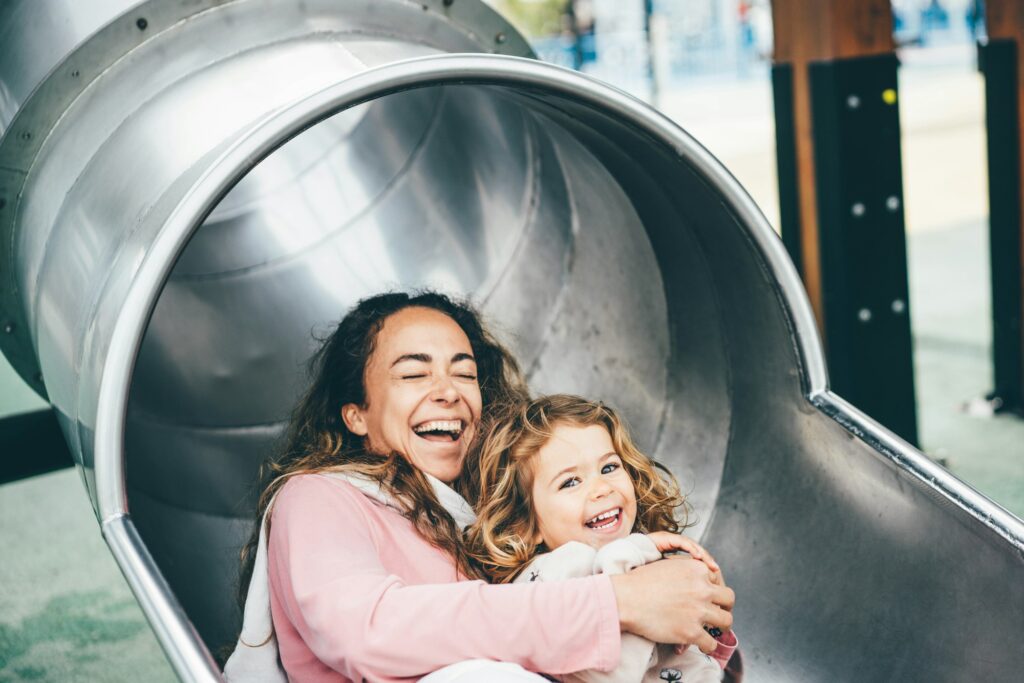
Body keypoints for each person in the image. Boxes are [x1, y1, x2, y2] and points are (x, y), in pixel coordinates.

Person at [226, 291, 735, 682]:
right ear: (356, 414)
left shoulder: (484, 515)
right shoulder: (319, 497)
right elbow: (368, 631)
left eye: (463, 374)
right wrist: (617, 601)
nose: (447, 392)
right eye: (414, 374)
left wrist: (680, 603)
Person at [464, 394, 739, 682]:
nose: (601, 488)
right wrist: (633, 551)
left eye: (609, 467)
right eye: (570, 482)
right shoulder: (546, 581)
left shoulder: (640, 560)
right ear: (526, 526)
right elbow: (607, 674)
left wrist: (707, 614)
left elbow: (693, 661)